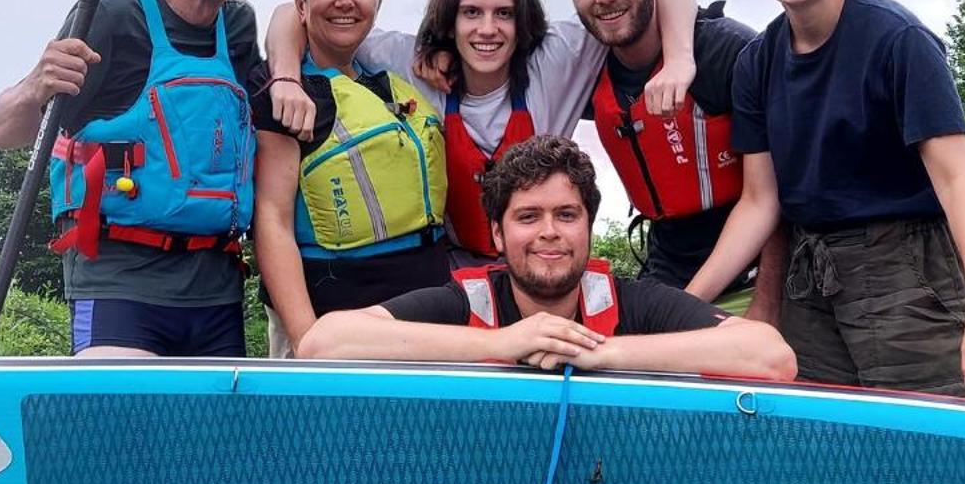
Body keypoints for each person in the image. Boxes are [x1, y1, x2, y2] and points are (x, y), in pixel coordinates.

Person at [684, 0, 965, 404]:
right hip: (810, 280)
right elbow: (758, 202)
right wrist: (686, 302)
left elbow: (957, 178)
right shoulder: (757, 63)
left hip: (906, 271)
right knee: (822, 445)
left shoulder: (898, 40)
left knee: (932, 439)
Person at [0, 0, 270, 358]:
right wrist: (37, 82)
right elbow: (5, 132)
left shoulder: (240, 26)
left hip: (216, 290)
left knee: (215, 439)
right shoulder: (113, 13)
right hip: (119, 283)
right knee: (122, 430)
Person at [270, 0, 701, 264]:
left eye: (504, 14)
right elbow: (293, 13)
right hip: (451, 267)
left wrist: (680, 59)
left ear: (523, 20)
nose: (488, 29)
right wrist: (286, 77)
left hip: (541, 266)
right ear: (450, 22)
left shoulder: (555, 58)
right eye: (472, 13)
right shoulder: (408, 61)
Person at [300, 135, 795, 380]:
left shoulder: (635, 303)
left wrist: (603, 354)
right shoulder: (465, 301)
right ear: (496, 233)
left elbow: (771, 357)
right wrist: (508, 341)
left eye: (566, 214)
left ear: (588, 226)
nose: (550, 233)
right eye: (528, 217)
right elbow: (322, 343)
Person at [253, 0, 450, 355]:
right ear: (301, 2)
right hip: (331, 315)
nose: (346, 2)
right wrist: (306, 338)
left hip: (421, 309)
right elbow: (272, 218)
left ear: (378, 1)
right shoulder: (283, 88)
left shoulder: (391, 78)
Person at [562, 0, 772, 295]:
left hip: (759, 265)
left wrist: (767, 301)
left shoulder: (726, 52)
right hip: (667, 262)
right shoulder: (585, 68)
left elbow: (781, 193)